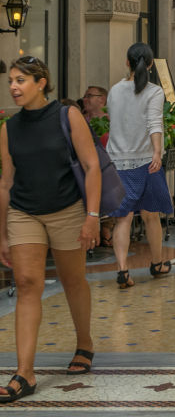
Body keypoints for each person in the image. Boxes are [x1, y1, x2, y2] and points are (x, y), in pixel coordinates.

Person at [0, 56, 101, 403]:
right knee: (28, 284)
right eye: (11, 80)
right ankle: (24, 372)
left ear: (41, 83)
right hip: (24, 213)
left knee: (73, 280)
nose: (13, 86)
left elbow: (91, 166)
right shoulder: (8, 128)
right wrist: (2, 233)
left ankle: (84, 343)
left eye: (21, 80)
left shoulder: (67, 115)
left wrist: (92, 215)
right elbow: (6, 182)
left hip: (67, 210)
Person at [106, 43, 173, 288]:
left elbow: (117, 122)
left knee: (122, 218)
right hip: (146, 161)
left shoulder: (114, 90)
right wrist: (157, 152)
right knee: (151, 215)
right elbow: (154, 123)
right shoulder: (154, 92)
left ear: (127, 62)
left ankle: (122, 270)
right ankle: (157, 263)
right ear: (151, 64)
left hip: (117, 162)